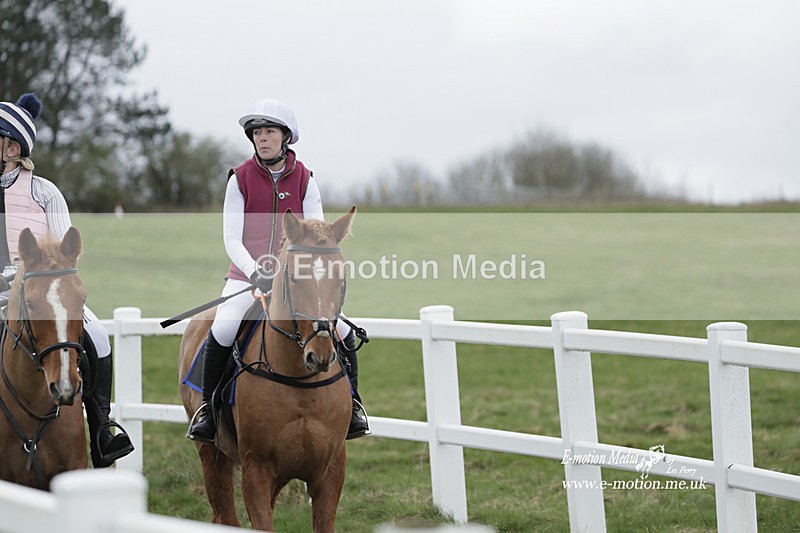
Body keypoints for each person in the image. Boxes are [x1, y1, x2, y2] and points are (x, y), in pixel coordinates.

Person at [186, 98, 369, 443]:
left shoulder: (304, 179)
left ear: (286, 137)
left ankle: (354, 406)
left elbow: (316, 231)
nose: (262, 138)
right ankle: (208, 411)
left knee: (342, 330)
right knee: (224, 328)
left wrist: (292, 269)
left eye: (269, 131)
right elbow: (230, 238)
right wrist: (255, 271)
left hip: (297, 279)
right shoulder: (238, 179)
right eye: (257, 132)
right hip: (246, 277)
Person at [0, 93, 133, 467]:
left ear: (12, 148)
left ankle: (102, 428)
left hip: (43, 290)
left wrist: (31, 275)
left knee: (100, 337)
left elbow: (64, 250)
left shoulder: (45, 192)